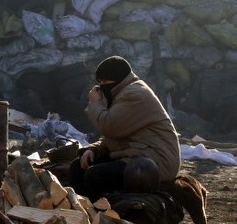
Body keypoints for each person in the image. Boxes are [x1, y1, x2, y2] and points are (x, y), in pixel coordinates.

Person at [69, 56, 181, 201]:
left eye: (105, 83)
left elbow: (109, 127)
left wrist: (96, 103)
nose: (102, 87)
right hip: (135, 153)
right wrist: (93, 150)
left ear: (119, 80)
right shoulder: (120, 93)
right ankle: (84, 210)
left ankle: (105, 210)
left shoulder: (135, 94)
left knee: (95, 175)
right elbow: (115, 135)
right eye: (100, 83)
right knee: (78, 167)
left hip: (154, 161)